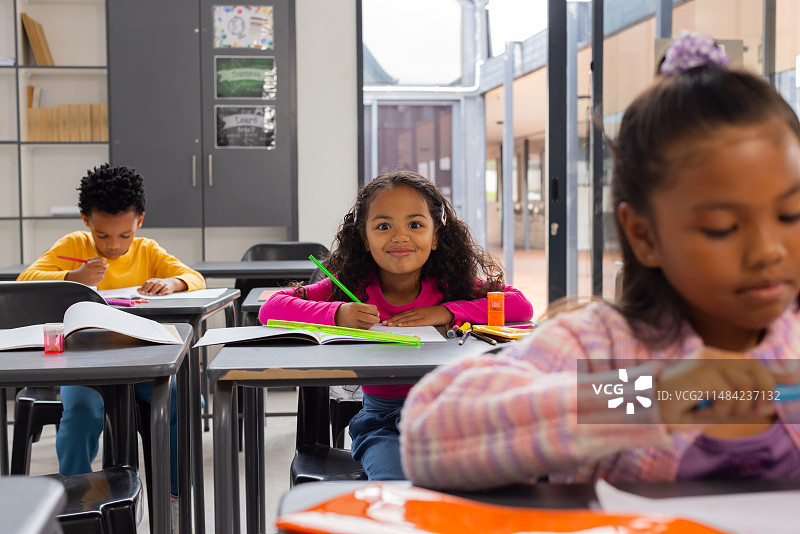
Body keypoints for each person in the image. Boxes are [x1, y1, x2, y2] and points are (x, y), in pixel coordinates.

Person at [400, 33, 800, 491]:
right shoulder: (601, 343)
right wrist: (649, 396)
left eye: (792, 214)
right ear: (643, 235)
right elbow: (429, 433)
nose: (770, 249)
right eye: (722, 227)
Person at [259, 170, 533, 480]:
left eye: (415, 225)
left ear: (435, 237)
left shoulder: (448, 284)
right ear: (364, 238)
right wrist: (338, 313)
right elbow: (271, 307)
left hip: (453, 415)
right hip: (384, 423)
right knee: (399, 493)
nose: (400, 236)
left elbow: (520, 304)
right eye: (383, 226)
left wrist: (445, 311)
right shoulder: (354, 286)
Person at [18, 163, 205, 511]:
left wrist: (171, 283)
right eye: (103, 236)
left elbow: (193, 277)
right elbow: (27, 279)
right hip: (83, 367)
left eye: (125, 236)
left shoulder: (148, 251)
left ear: (140, 222)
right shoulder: (73, 244)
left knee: (184, 397)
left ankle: (175, 492)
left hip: (140, 364)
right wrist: (73, 274)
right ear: (86, 221)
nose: (114, 246)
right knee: (81, 412)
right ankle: (76, 500)